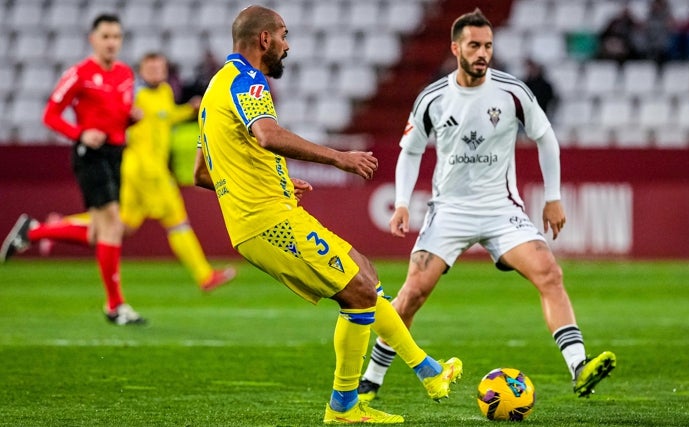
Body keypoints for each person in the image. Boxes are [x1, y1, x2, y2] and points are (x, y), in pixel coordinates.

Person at [192, 5, 462, 424]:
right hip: (270, 221)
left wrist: (274, 181)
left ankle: (428, 372)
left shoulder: (214, 90)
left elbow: (203, 173)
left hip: (265, 214)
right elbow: (267, 135)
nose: (287, 44)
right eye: (282, 35)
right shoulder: (248, 80)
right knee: (357, 295)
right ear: (264, 39)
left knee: (365, 276)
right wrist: (338, 158)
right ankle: (345, 408)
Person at [358, 9, 616, 402]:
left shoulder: (513, 91)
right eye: (474, 45)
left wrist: (553, 197)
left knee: (549, 272)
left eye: (488, 46)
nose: (483, 53)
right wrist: (402, 203)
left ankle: (579, 367)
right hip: (450, 211)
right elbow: (410, 152)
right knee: (412, 294)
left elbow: (546, 138)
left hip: (501, 210)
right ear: (455, 48)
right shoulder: (433, 97)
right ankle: (373, 378)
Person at [14, 52, 237, 292]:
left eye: (159, 68)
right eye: (150, 69)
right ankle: (204, 276)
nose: (155, 73)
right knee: (177, 222)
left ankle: (48, 229)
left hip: (147, 171)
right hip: (144, 170)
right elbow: (116, 115)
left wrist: (187, 111)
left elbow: (165, 117)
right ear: (141, 71)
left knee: (119, 227)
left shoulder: (163, 92)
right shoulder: (135, 95)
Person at [1, 14, 145, 325]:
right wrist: (80, 133)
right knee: (112, 226)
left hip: (116, 154)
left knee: (98, 233)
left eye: (116, 37)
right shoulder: (78, 74)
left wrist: (132, 118)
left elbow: (117, 115)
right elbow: (50, 115)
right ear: (92, 39)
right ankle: (115, 305)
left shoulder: (124, 74)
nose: (111, 42)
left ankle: (33, 231)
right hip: (89, 154)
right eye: (105, 36)